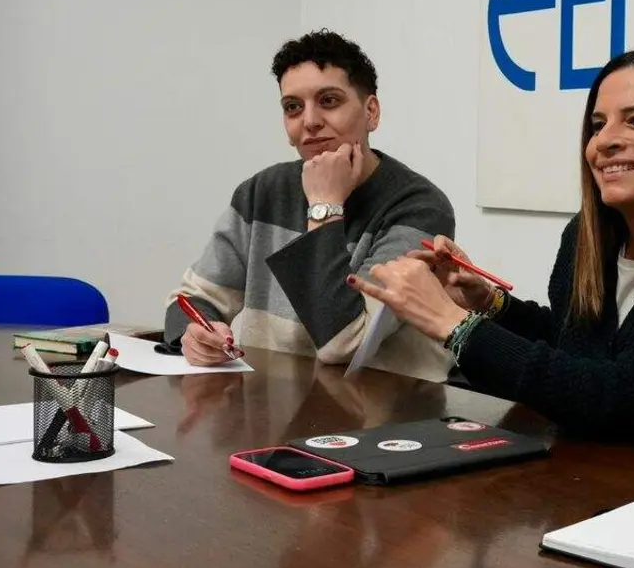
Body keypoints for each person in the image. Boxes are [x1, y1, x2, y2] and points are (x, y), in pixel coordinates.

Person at [348, 49, 634, 444]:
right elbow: (575, 351)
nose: (605, 141)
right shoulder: (587, 237)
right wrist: (489, 305)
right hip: (581, 479)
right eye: (598, 125)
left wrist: (455, 326)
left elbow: (623, 399)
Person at [163, 30, 456, 380]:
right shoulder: (262, 192)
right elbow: (190, 298)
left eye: (329, 101)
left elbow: (342, 342)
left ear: (371, 112)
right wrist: (196, 332)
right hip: (276, 405)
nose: (310, 121)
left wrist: (324, 205)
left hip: (383, 416)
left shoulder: (419, 206)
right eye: (293, 107)